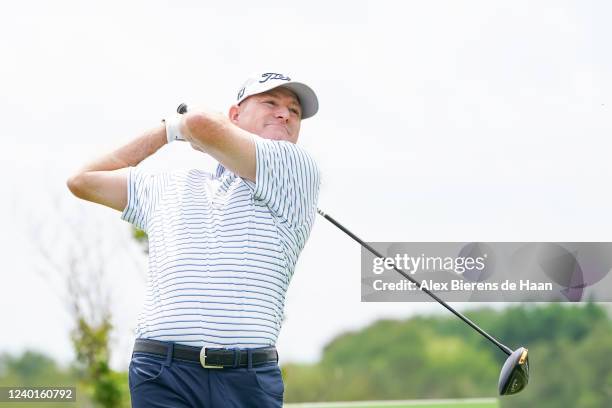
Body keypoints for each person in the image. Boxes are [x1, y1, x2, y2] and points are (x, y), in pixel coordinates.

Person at [66, 72, 321, 407]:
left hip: (247, 378)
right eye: (270, 102)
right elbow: (82, 180)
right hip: (163, 372)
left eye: (295, 111)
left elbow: (201, 123)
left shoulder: (295, 167)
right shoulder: (168, 185)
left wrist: (193, 129)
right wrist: (168, 130)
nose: (285, 114)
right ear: (234, 116)